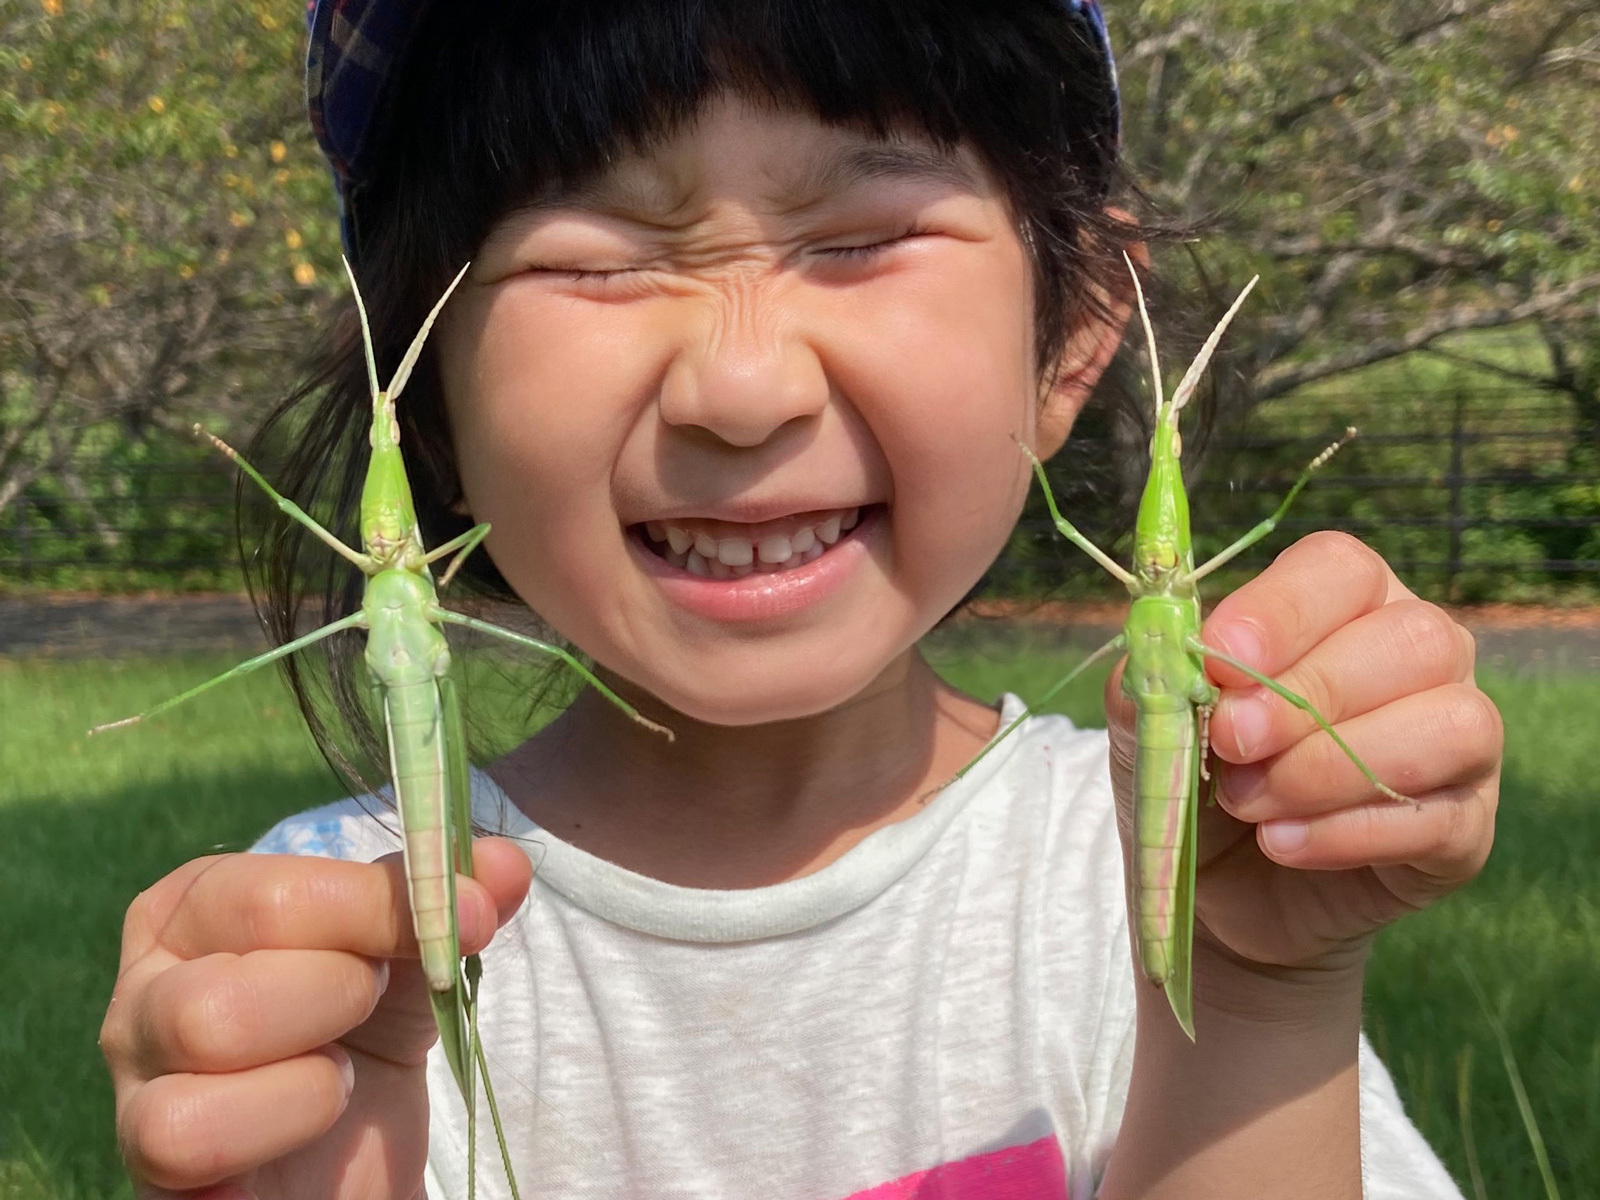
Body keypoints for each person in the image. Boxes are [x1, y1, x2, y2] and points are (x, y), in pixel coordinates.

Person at [99, 2, 1500, 1197]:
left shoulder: (1182, 860)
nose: (742, 385)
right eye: (591, 257)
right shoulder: (338, 920)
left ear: (1072, 339)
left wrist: (1261, 1002)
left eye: (859, 238)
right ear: (439, 404)